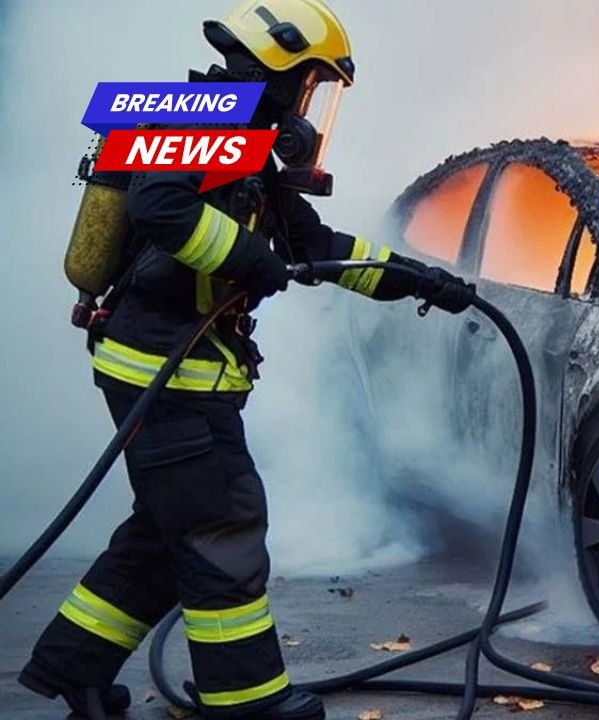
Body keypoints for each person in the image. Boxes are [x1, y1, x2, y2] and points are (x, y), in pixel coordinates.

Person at [18, 2, 471, 718]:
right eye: (313, 83)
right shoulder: (207, 120)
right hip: (167, 373)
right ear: (282, 69)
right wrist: (247, 256)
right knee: (222, 526)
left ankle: (72, 670)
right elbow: (162, 206)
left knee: (166, 533)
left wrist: (419, 281)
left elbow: (315, 246)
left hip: (166, 369)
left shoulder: (242, 141)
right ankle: (245, 701)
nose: (312, 106)